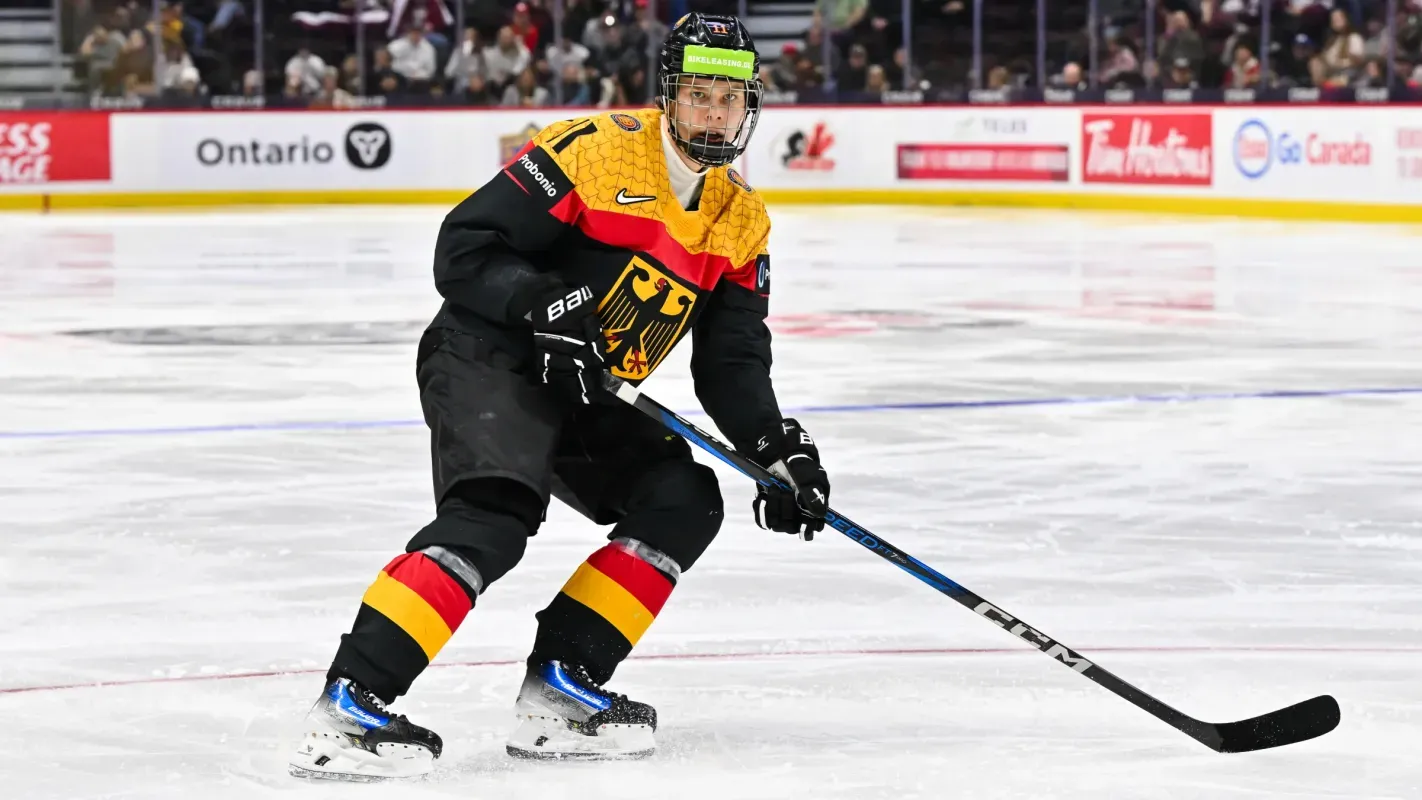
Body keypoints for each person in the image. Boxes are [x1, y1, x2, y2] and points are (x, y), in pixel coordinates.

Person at [288, 12, 831, 780]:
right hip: (490, 354)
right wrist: (544, 303)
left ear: (752, 106)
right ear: (670, 95)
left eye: (730, 98)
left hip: (585, 382)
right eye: (700, 94)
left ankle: (561, 692)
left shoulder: (740, 221)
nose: (715, 112)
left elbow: (733, 364)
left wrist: (779, 450)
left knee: (682, 498)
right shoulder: (595, 148)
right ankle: (348, 707)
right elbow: (465, 246)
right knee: (494, 515)